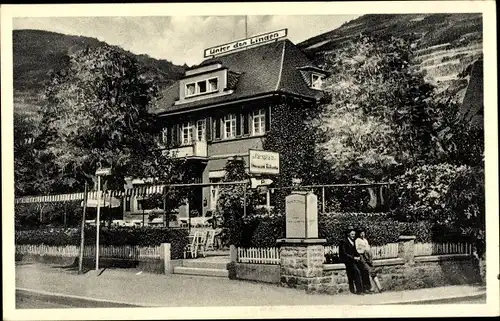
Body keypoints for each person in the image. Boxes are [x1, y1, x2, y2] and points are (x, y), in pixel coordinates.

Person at [355, 229, 383, 293]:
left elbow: (368, 248)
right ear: (359, 234)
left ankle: (376, 288)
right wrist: (363, 250)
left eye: (363, 233)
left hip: (368, 258)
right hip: (362, 257)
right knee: (370, 271)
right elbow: (357, 249)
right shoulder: (357, 240)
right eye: (361, 233)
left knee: (372, 271)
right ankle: (376, 287)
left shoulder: (365, 240)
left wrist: (369, 257)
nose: (362, 234)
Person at [339, 227, 364, 295]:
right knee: (356, 271)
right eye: (352, 234)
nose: (353, 236)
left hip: (353, 259)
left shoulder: (353, 241)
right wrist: (354, 258)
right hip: (347, 260)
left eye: (354, 234)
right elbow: (344, 253)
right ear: (348, 234)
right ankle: (359, 291)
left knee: (363, 268)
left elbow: (355, 251)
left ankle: (365, 288)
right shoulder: (344, 241)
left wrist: (358, 256)